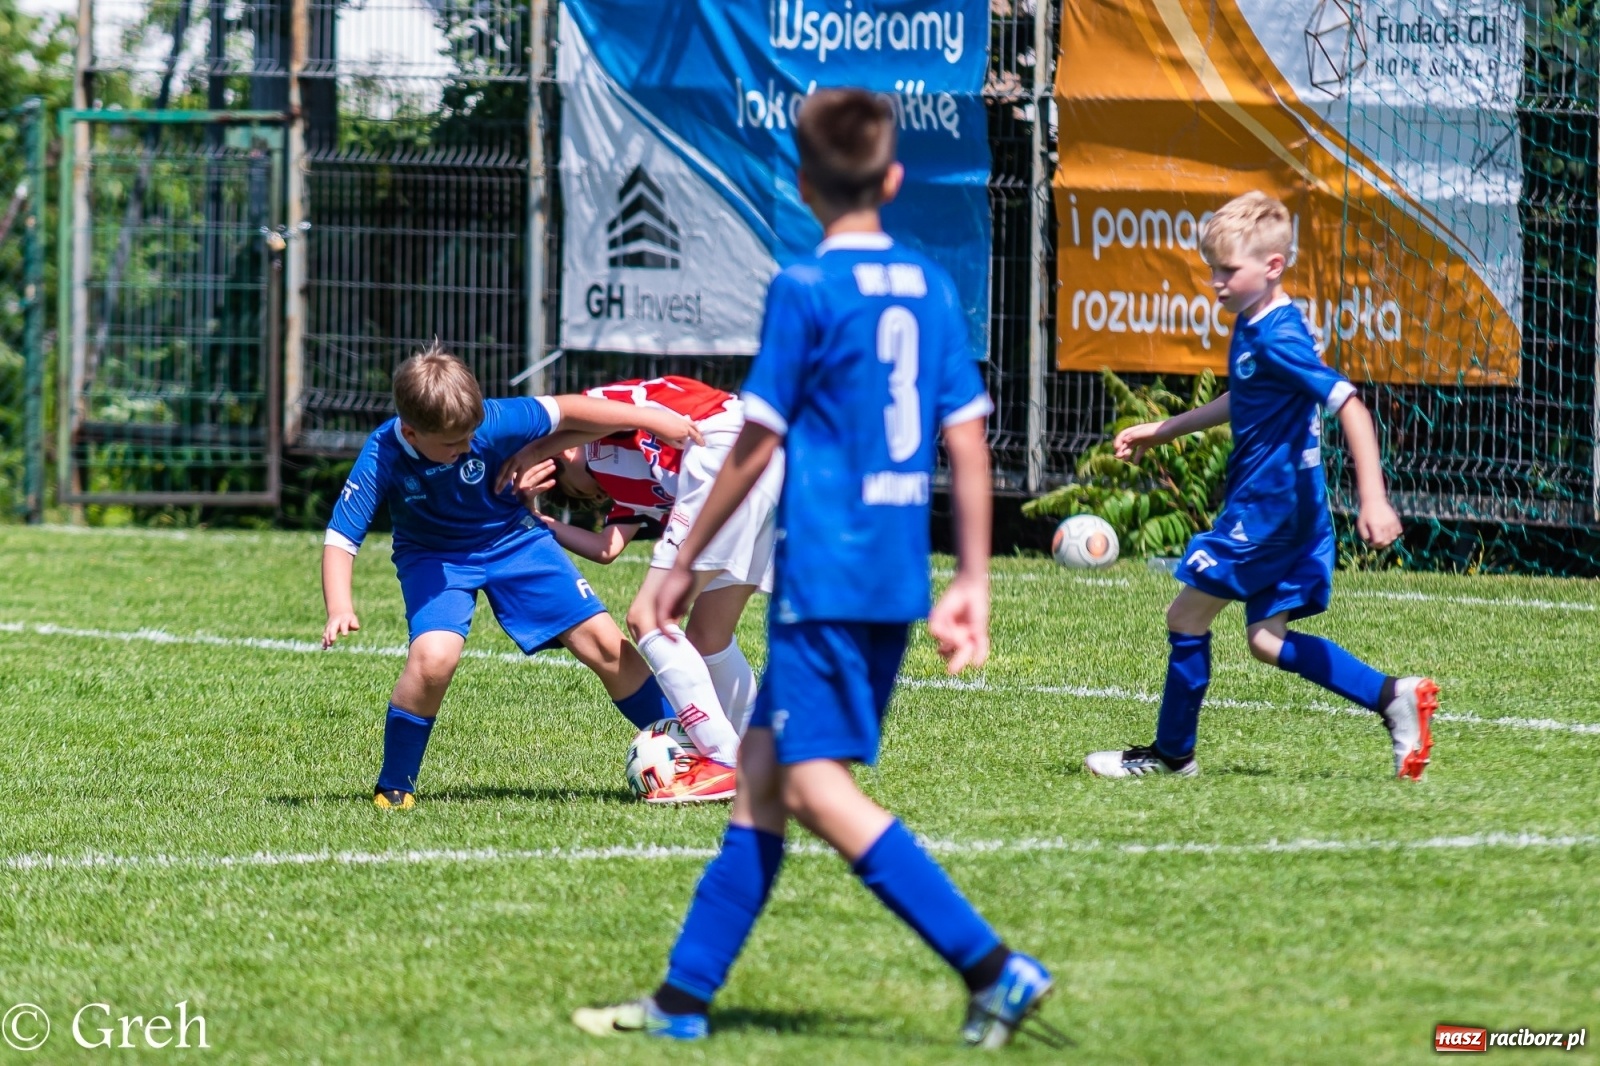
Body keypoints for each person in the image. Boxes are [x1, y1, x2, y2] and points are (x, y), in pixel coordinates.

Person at [570, 89, 1059, 1049]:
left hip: (826, 577)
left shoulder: (805, 287)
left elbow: (754, 440)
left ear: (802, 185)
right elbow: (967, 439)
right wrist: (973, 579)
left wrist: (684, 558)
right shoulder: (926, 285)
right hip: (891, 574)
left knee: (814, 789)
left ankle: (995, 967)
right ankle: (681, 1003)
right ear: (894, 180)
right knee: (759, 780)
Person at [1084, 191, 1438, 781]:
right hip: (1296, 515)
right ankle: (1392, 696)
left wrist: (1373, 498)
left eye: (1227, 270)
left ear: (1271, 267)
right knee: (1267, 640)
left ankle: (1172, 756)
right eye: (1212, 269)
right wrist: (1164, 430)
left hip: (1265, 516)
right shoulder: (1262, 322)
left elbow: (1348, 402)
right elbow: (1244, 397)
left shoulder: (1277, 337)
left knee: (1186, 617)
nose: (1216, 282)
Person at [321, 343, 720, 810]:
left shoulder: (493, 419)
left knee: (605, 644)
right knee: (433, 659)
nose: (467, 447)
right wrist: (340, 606)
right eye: (453, 443)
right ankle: (395, 785)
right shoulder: (384, 451)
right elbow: (341, 536)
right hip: (435, 559)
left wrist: (652, 418)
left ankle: (687, 754)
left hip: (516, 542)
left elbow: (568, 408)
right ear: (411, 430)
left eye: (471, 435)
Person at [496, 375, 784, 803]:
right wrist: (539, 521)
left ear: (565, 449)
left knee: (648, 617)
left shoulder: (600, 421)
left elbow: (577, 409)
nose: (589, 489)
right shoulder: (623, 482)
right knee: (709, 637)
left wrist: (535, 448)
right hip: (763, 460)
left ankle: (723, 760)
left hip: (721, 451)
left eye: (571, 483)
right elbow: (606, 548)